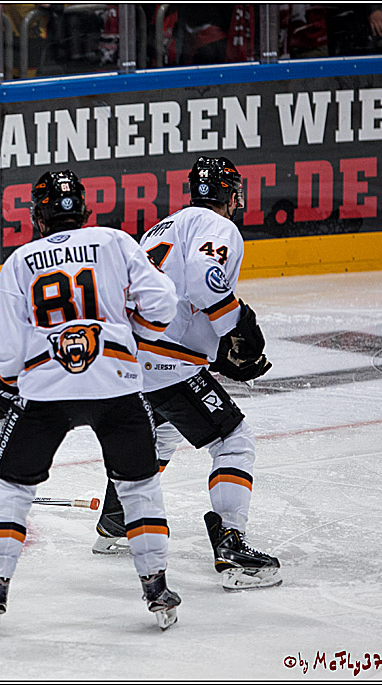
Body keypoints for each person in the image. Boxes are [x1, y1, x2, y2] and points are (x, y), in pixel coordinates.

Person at [0, 170, 180, 634]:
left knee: (11, 487)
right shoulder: (116, 242)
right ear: (83, 211)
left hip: (47, 392)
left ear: (38, 217)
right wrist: (130, 338)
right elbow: (163, 303)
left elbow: (6, 342)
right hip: (117, 385)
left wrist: (6, 382)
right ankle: (157, 587)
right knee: (139, 485)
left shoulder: (21, 260)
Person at [91, 156, 283, 592]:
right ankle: (231, 542)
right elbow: (204, 280)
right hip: (167, 361)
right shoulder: (217, 227)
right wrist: (234, 327)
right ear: (230, 194)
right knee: (234, 438)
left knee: (159, 432)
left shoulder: (162, 227)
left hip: (134, 357)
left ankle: (118, 520)